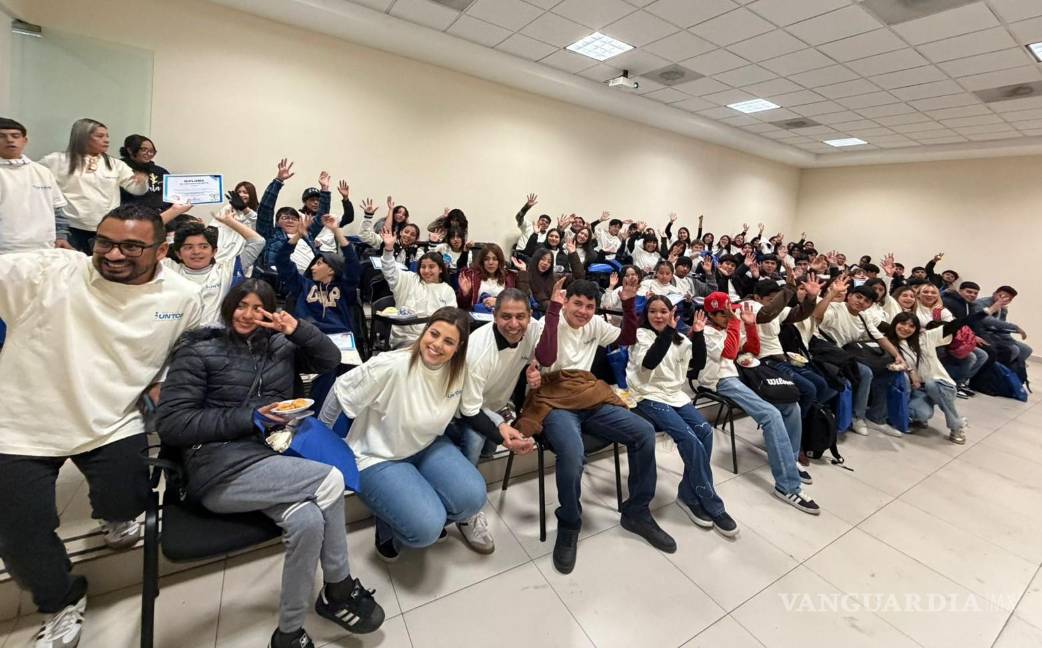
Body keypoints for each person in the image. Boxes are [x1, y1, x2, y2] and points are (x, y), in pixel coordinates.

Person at [0, 203, 203, 648]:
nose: (113, 254)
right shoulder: (51, 270)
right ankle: (60, 601)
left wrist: (162, 383)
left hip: (112, 419)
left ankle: (115, 518)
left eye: (132, 246)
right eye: (105, 242)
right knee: (19, 531)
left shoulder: (182, 297)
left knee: (128, 498)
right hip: (21, 424)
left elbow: (180, 355)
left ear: (161, 250)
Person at [155, 280, 383, 648]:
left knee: (308, 521)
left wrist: (299, 330)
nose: (248, 315)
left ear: (270, 312)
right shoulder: (200, 350)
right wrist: (252, 417)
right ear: (229, 307)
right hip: (219, 468)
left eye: (257, 308)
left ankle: (289, 632)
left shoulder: (280, 344)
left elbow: (328, 361)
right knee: (330, 480)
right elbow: (172, 423)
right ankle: (339, 586)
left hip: (274, 458)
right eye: (241, 306)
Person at [532, 277, 676, 574]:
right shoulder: (548, 320)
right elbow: (545, 357)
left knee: (643, 432)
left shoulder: (595, 324)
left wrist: (627, 302)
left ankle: (636, 512)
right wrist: (552, 311)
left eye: (589, 306)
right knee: (572, 454)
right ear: (565, 301)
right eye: (577, 304)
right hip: (555, 398)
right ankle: (570, 522)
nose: (583, 311)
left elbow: (627, 339)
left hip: (588, 394)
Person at [319, 308, 487, 561]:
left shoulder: (460, 370)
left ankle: (411, 505)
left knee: (473, 497)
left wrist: (502, 426)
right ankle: (389, 526)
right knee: (426, 529)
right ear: (424, 331)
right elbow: (340, 391)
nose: (437, 345)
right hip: (378, 455)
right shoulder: (392, 365)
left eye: (448, 341)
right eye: (434, 334)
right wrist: (323, 444)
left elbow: (472, 410)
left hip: (426, 445)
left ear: (458, 347)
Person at [628, 299, 738, 536]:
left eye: (664, 311)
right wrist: (668, 331)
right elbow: (649, 362)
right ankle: (710, 501)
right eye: (653, 312)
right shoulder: (642, 336)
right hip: (647, 395)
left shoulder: (679, 339)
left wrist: (697, 335)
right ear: (646, 315)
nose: (658, 316)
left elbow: (697, 366)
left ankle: (688, 495)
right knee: (689, 438)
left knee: (705, 432)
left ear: (672, 313)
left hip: (674, 395)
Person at [448, 288, 543, 553]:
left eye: (520, 317)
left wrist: (537, 368)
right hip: (465, 406)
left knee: (489, 449)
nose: (514, 325)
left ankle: (468, 484)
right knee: (475, 443)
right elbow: (470, 409)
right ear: (494, 315)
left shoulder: (532, 329)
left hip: (495, 404)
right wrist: (502, 430)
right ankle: (465, 508)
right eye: (506, 317)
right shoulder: (478, 350)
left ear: (530, 316)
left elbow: (550, 344)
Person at [277, 213, 361, 406]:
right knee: (328, 368)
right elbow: (282, 261)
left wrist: (336, 231)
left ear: (332, 268)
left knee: (345, 375)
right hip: (310, 337)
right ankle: (317, 415)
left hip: (341, 341)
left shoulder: (344, 288)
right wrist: (297, 235)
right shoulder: (302, 285)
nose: (313, 267)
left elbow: (353, 264)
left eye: (319, 263)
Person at [39, 118, 148, 253]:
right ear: (82, 138)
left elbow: (136, 190)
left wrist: (142, 182)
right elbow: (35, 183)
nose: (106, 140)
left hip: (106, 228)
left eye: (107, 136)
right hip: (71, 228)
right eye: (100, 136)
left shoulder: (115, 164)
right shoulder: (55, 161)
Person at [815, 278, 906, 437]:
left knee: (889, 369)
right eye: (858, 297)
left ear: (870, 305)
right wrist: (831, 294)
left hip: (843, 354)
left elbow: (880, 338)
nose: (861, 302)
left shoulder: (864, 317)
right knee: (865, 372)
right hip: (822, 350)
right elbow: (816, 315)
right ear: (849, 296)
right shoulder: (836, 308)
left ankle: (877, 416)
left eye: (866, 300)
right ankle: (858, 417)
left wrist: (897, 355)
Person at [162, 211, 265, 323]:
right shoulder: (168, 268)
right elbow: (142, 235)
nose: (196, 252)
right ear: (178, 254)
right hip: (178, 336)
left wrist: (229, 221)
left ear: (214, 251)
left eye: (204, 246)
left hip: (215, 336)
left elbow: (258, 242)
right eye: (188, 247)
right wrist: (175, 210)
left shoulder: (227, 270)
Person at [378, 223, 456, 348]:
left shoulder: (447, 290)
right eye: (423, 267)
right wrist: (388, 249)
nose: (426, 271)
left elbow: (451, 319)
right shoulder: (409, 279)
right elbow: (389, 271)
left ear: (441, 269)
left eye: (431, 267)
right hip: (405, 338)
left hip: (434, 341)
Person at [0, 117, 70, 254]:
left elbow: (57, 210)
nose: (10, 140)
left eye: (15, 136)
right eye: (1, 136)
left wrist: (61, 236)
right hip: (5, 249)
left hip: (45, 247)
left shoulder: (42, 172)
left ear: (24, 141)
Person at [515, 243, 583, 313]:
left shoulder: (554, 277)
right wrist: (523, 270)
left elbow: (579, 278)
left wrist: (573, 254)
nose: (545, 263)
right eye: (543, 259)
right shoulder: (526, 276)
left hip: (556, 311)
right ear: (536, 259)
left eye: (549, 262)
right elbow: (523, 297)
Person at [457, 243, 516, 311]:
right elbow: (462, 306)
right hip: (478, 317)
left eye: (494, 259)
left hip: (502, 317)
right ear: (482, 262)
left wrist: (499, 302)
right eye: (486, 259)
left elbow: (520, 301)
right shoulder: (472, 276)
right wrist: (465, 294)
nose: (490, 262)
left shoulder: (509, 277)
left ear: (500, 261)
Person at [118, 134, 169, 210]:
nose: (149, 154)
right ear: (130, 150)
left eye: (152, 151)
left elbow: (171, 197)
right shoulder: (119, 169)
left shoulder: (160, 171)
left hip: (159, 215)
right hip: (130, 215)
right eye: (144, 150)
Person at [515, 193, 550, 258]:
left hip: (534, 259)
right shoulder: (528, 225)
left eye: (547, 222)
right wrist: (526, 207)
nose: (544, 222)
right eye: (542, 220)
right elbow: (518, 218)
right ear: (538, 221)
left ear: (548, 226)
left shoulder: (547, 236)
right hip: (520, 254)